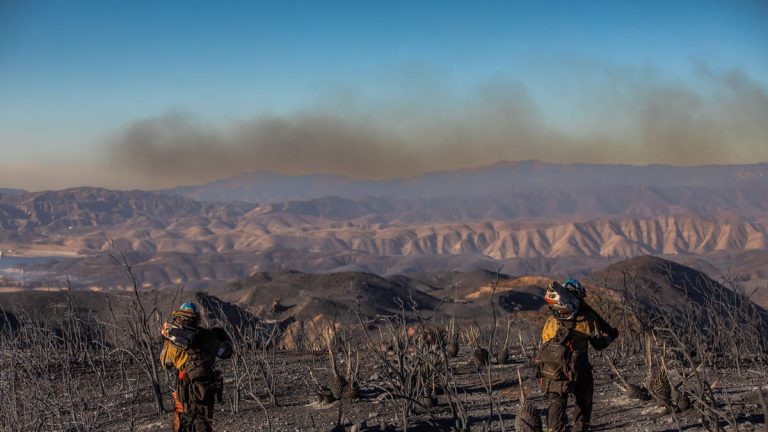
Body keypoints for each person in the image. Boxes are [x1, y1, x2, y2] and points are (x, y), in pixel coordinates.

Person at [535, 279, 619, 432]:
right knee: (583, 402)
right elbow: (599, 344)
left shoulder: (551, 321)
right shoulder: (588, 318)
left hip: (555, 369)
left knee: (557, 400)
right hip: (579, 366)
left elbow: (544, 343)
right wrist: (612, 336)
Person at [160, 302, 232, 432]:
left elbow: (165, 362)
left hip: (184, 391)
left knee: (183, 423)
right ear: (197, 319)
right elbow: (226, 352)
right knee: (204, 422)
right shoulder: (210, 338)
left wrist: (167, 342)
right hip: (206, 390)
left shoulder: (174, 341)